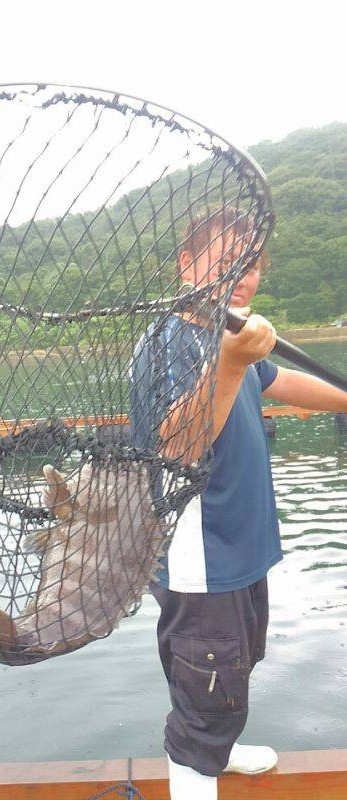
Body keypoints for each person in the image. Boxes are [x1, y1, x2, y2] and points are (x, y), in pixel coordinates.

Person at [129, 209, 347, 800]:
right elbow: (177, 447)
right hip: (202, 561)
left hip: (241, 551)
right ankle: (199, 765)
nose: (243, 274)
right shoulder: (171, 342)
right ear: (185, 264)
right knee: (205, 693)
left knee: (232, 669)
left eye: (252, 262)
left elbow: (282, 382)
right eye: (227, 260)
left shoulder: (230, 337)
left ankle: (215, 754)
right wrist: (229, 362)